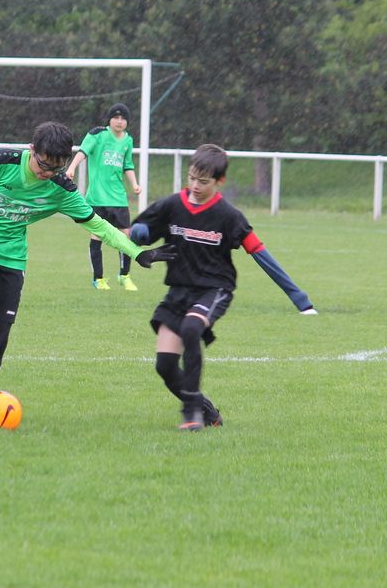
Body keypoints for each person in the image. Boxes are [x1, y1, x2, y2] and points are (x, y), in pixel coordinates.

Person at [0, 121, 171, 423]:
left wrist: (137, 252)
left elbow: (98, 225)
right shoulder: (2, 163)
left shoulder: (61, 189)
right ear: (32, 150)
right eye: (43, 164)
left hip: (12, 259)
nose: (47, 173)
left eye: (55, 168)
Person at [129, 144, 318, 431]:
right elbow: (139, 232)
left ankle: (191, 412)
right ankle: (209, 414)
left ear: (220, 181)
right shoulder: (171, 205)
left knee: (192, 328)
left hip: (214, 289)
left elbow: (261, 255)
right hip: (178, 292)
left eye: (203, 181)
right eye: (192, 178)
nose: (195, 186)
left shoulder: (228, 216)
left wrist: (299, 298)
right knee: (164, 366)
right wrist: (140, 235)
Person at [65, 102, 142, 291]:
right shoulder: (97, 135)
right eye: (116, 117)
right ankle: (98, 279)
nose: (119, 121)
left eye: (123, 118)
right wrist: (72, 167)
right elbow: (83, 151)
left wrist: (134, 183)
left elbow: (128, 165)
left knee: (125, 237)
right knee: (97, 236)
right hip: (98, 197)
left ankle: (124, 276)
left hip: (118, 198)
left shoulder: (128, 140)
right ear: (109, 120)